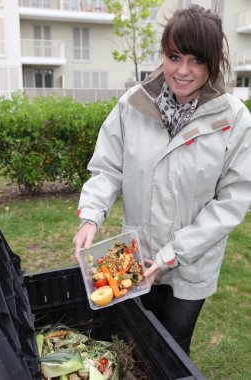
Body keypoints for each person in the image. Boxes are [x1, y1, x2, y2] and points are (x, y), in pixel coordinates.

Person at [73, 4, 251, 355]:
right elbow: (108, 168)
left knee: (173, 349)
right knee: (136, 342)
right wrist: (91, 215)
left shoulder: (234, 119)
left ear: (214, 61)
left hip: (192, 263)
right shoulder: (133, 105)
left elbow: (231, 202)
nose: (183, 71)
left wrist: (173, 254)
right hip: (136, 259)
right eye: (174, 56)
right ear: (163, 54)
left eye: (197, 60)